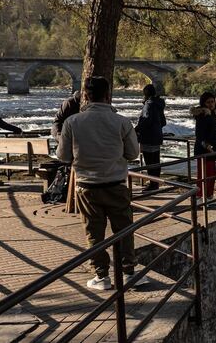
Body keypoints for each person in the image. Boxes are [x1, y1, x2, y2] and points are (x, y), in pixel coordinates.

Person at [57, 76, 144, 291]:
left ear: (85, 95)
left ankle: (101, 276)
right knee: (124, 230)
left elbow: (63, 157)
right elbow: (133, 154)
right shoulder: (122, 122)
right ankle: (128, 273)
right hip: (116, 184)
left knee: (94, 233)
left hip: (87, 187)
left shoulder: (72, 122)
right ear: (108, 95)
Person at [135, 84, 166, 191]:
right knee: (156, 161)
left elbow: (146, 120)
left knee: (149, 162)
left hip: (148, 137)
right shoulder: (159, 105)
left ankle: (152, 184)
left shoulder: (149, 105)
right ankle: (155, 183)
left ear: (145, 94)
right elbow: (163, 122)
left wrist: (136, 129)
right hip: (157, 137)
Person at [191, 92, 216, 199]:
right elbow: (199, 134)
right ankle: (201, 197)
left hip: (212, 148)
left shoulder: (212, 113)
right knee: (204, 174)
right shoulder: (203, 115)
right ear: (203, 103)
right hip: (204, 149)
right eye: (208, 102)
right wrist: (207, 146)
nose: (211, 104)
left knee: (212, 174)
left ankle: (209, 196)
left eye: (212, 101)